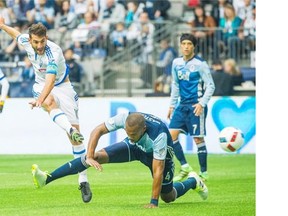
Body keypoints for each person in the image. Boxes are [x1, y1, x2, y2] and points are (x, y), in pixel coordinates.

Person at [0, 17, 92, 202]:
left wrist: (39, 100)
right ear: (31, 39)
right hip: (40, 85)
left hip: (63, 88)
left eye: (42, 41)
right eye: (36, 42)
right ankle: (70, 129)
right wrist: (2, 26)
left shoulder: (54, 52)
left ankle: (83, 180)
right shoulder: (26, 41)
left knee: (77, 143)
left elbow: (51, 80)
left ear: (46, 38)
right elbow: (16, 35)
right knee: (51, 103)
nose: (39, 45)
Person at [31, 112, 208, 208]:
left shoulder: (159, 135)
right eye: (127, 132)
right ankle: (47, 178)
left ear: (143, 129)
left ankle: (194, 181)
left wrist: (153, 202)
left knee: (168, 197)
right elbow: (98, 130)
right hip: (135, 148)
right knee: (93, 156)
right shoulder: (126, 119)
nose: (129, 136)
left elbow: (158, 170)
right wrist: (91, 156)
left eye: (133, 134)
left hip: (158, 157)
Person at [167, 33, 215, 182]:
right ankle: (185, 166)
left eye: (189, 44)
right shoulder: (176, 63)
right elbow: (175, 84)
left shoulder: (201, 64)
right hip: (182, 106)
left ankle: (204, 173)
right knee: (171, 136)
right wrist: (172, 105)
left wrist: (202, 103)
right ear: (180, 46)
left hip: (196, 105)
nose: (186, 46)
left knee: (198, 139)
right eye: (184, 44)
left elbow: (211, 85)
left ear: (194, 46)